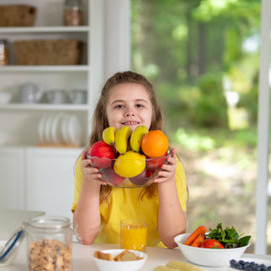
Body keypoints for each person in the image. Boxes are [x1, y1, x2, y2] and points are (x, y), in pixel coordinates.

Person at [71, 71, 187, 249]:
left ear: (153, 113)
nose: (130, 113)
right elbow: (84, 237)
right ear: (105, 115)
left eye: (139, 105)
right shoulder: (91, 161)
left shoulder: (169, 162)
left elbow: (172, 241)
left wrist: (166, 179)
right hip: (108, 256)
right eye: (119, 106)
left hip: (155, 257)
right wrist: (90, 181)